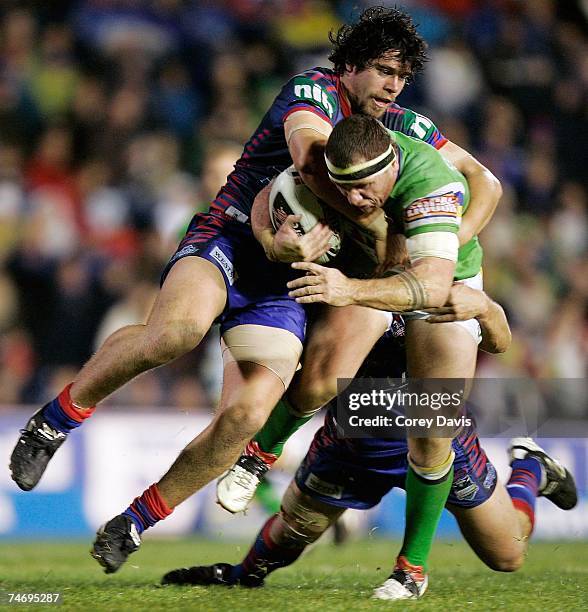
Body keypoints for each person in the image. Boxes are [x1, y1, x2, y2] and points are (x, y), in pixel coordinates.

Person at [9, 7, 499, 574]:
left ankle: (136, 521)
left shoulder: (403, 131)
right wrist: (377, 231)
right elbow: (311, 159)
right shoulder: (311, 93)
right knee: (177, 332)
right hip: (234, 240)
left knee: (245, 417)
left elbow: (482, 179)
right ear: (350, 67)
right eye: (383, 71)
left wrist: (452, 235)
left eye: (402, 76)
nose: (393, 86)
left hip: (287, 283)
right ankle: (55, 420)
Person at [160, 286, 577, 601]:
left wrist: (483, 307)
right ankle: (241, 576)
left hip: (434, 430)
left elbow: (499, 341)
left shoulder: (436, 267)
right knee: (290, 533)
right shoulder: (340, 275)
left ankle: (529, 468)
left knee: (508, 557)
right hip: (353, 434)